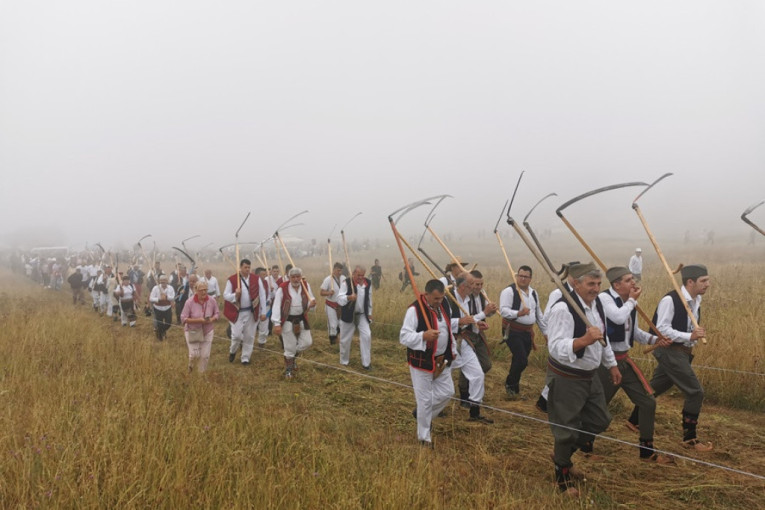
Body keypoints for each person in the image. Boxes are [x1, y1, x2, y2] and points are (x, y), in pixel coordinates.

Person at [545, 262, 620, 496]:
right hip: (568, 376)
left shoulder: (596, 304)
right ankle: (563, 482)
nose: (596, 289)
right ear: (575, 283)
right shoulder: (562, 309)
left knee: (600, 420)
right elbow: (555, 347)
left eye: (598, 284)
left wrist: (612, 364)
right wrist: (583, 341)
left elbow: (602, 336)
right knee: (566, 429)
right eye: (591, 284)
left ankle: (562, 455)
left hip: (590, 375)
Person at [631, 264, 713, 452]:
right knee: (695, 392)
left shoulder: (696, 299)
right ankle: (690, 439)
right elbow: (662, 330)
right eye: (704, 281)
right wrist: (689, 336)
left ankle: (633, 420)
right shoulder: (670, 300)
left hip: (681, 351)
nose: (708, 284)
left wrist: (691, 337)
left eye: (708, 280)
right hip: (669, 350)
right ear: (690, 282)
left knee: (657, 387)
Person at [595, 266, 673, 463]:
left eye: (633, 279)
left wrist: (656, 340)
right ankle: (584, 444)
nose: (634, 283)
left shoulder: (630, 303)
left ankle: (646, 451)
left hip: (624, 361)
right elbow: (618, 317)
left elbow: (635, 333)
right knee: (597, 407)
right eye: (629, 280)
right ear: (617, 284)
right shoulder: (605, 299)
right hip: (606, 362)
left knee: (648, 402)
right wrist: (632, 301)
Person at [400, 279, 457, 447]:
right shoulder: (415, 310)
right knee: (424, 400)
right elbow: (403, 336)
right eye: (436, 299)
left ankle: (422, 415)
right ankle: (424, 438)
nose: (439, 302)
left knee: (448, 392)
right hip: (422, 361)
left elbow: (448, 327)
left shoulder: (444, 304)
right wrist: (423, 336)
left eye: (441, 298)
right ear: (426, 295)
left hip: (442, 359)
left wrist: (452, 349)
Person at [447, 273, 494, 423]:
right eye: (471, 285)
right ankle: (431, 407)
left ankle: (474, 412)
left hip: (463, 342)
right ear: (463, 286)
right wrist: (460, 321)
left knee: (478, 375)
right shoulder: (448, 298)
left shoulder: (467, 299)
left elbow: (467, 320)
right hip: (446, 343)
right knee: (440, 377)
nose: (474, 288)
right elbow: (442, 321)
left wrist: (475, 323)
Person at [499, 265, 547, 400]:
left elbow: (539, 315)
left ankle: (514, 388)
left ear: (530, 278)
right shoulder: (509, 291)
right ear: (516, 276)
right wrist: (518, 313)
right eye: (520, 276)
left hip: (527, 332)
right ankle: (510, 385)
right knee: (521, 360)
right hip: (512, 330)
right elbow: (503, 311)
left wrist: (545, 333)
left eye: (526, 276)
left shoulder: (533, 293)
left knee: (519, 360)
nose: (523, 279)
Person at [459, 270, 496, 408]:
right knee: (467, 365)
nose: (478, 287)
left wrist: (490, 312)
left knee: (486, 365)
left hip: (478, 334)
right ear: (469, 284)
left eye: (481, 284)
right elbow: (466, 319)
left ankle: (472, 387)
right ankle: (464, 396)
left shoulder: (482, 294)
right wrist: (484, 313)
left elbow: (484, 315)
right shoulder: (463, 298)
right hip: (465, 335)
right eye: (475, 284)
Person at [272, 267, 316, 379]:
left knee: (307, 342)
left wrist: (312, 305)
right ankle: (288, 370)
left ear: (301, 277)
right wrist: (277, 324)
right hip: (287, 320)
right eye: (293, 277)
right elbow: (276, 306)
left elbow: (311, 300)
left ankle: (291, 357)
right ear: (289, 277)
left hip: (302, 318)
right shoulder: (283, 288)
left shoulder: (306, 286)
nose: (296, 279)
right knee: (289, 346)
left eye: (298, 277)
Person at [223, 259, 267, 365]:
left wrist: (264, 312)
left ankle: (245, 358)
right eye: (245, 267)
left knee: (250, 335)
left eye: (249, 267)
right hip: (237, 312)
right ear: (240, 268)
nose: (247, 269)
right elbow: (225, 295)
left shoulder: (256, 279)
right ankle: (233, 351)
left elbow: (262, 295)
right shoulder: (232, 279)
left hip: (251, 311)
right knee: (236, 336)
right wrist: (235, 295)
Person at [336, 265, 373, 369]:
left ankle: (366, 363)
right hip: (348, 314)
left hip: (362, 315)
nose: (361, 277)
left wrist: (369, 312)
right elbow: (339, 299)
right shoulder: (346, 283)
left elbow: (369, 299)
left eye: (362, 275)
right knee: (345, 339)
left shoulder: (368, 283)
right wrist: (348, 297)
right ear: (353, 274)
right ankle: (344, 362)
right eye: (358, 275)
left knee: (367, 336)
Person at [181, 280, 220, 373]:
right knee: (194, 355)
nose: (204, 292)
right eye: (201, 290)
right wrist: (199, 320)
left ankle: (200, 376)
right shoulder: (189, 302)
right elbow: (183, 318)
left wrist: (212, 319)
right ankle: (190, 369)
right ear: (196, 290)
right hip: (193, 331)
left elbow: (217, 313)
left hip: (207, 330)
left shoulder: (212, 300)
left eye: (205, 290)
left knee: (205, 355)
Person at [319, 262, 345, 345]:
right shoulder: (328, 279)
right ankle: (333, 342)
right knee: (333, 325)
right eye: (338, 270)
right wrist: (329, 292)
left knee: (341, 324)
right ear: (333, 270)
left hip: (341, 306)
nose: (339, 272)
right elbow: (322, 292)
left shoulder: (343, 278)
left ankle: (338, 340)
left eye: (341, 271)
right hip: (330, 305)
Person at [149, 274, 175, 341]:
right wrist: (159, 299)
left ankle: (160, 331)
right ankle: (160, 338)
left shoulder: (170, 288)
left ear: (167, 281)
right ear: (159, 281)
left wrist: (166, 297)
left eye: (164, 281)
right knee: (159, 324)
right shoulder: (155, 288)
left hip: (167, 307)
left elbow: (172, 297)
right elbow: (151, 298)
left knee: (168, 323)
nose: (163, 283)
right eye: (161, 281)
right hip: (158, 308)